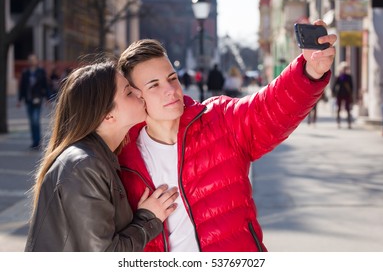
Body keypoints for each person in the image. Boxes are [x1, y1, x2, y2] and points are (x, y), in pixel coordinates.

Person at [117, 19, 336, 252]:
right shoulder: (121, 155)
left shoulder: (219, 119)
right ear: (135, 95)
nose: (171, 90)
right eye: (154, 85)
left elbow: (269, 107)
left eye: (172, 78)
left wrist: (310, 71)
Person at [24, 60, 178, 252]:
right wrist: (148, 218)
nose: (139, 93)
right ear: (107, 115)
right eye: (129, 92)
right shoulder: (84, 166)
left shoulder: (96, 158)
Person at [17, 54, 50, 149]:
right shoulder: (25, 72)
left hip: (38, 99)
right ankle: (34, 141)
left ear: (37, 61)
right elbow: (22, 87)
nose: (31, 61)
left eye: (33, 59)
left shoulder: (41, 72)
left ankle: (37, 141)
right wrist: (19, 100)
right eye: (30, 60)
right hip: (28, 100)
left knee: (35, 120)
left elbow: (45, 85)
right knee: (31, 121)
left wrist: (47, 98)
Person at [331, 61, 353, 129]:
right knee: (338, 108)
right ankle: (338, 122)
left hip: (346, 94)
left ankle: (349, 123)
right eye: (343, 68)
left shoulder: (349, 77)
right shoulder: (338, 76)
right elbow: (334, 85)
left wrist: (351, 94)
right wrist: (333, 93)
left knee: (347, 109)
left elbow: (352, 86)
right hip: (339, 94)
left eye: (345, 68)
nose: (344, 69)